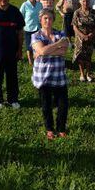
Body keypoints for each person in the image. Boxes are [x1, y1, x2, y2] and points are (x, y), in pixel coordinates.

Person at [31, 9, 69, 140]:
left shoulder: (60, 33)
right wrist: (56, 45)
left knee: (63, 104)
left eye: (50, 18)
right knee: (46, 104)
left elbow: (64, 52)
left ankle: (61, 128)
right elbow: (41, 50)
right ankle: (49, 128)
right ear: (40, 20)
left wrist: (44, 51)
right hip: (43, 76)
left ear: (53, 20)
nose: (48, 21)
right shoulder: (36, 35)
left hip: (59, 75)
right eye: (45, 18)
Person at [72, 0, 95, 82]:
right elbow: (74, 26)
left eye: (87, 1)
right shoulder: (77, 12)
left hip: (90, 38)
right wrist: (82, 35)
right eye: (83, 1)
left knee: (88, 56)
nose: (85, 3)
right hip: (80, 38)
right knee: (80, 56)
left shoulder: (93, 12)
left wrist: (92, 34)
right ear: (80, 2)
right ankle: (82, 74)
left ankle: (88, 73)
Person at [20, 0, 43, 65]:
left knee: (38, 44)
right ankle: (30, 61)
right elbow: (20, 16)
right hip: (28, 28)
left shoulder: (40, 4)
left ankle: (37, 58)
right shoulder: (25, 5)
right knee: (29, 46)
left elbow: (42, 15)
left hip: (38, 28)